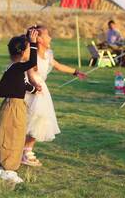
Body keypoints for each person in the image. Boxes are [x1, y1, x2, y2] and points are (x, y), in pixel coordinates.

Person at [22, 25, 86, 167]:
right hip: (32, 89)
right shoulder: (29, 53)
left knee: (40, 120)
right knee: (32, 120)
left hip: (41, 89)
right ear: (38, 38)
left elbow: (58, 65)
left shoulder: (48, 54)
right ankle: (24, 151)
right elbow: (26, 69)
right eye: (47, 34)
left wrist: (75, 72)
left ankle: (27, 150)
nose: (50, 37)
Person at [0, 29, 39, 184]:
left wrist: (33, 89)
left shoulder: (13, 67)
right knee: (14, 137)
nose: (29, 52)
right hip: (14, 106)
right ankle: (9, 169)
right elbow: (32, 63)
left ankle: (1, 165)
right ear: (22, 51)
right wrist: (33, 43)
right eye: (27, 49)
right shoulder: (17, 66)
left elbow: (20, 84)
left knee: (7, 134)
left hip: (12, 104)